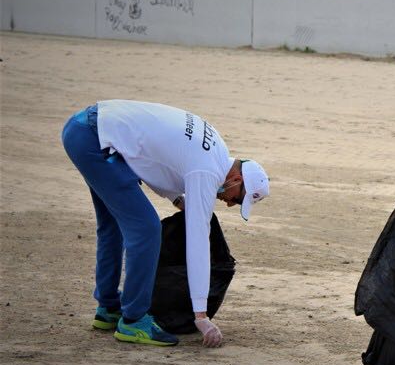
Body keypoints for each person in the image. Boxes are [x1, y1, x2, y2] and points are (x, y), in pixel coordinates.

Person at [61, 100, 269, 348]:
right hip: (96, 140)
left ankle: (108, 308)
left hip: (85, 129)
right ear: (236, 179)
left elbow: (155, 161)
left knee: (113, 224)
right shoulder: (208, 172)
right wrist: (200, 316)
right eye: (237, 199)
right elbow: (198, 243)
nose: (229, 204)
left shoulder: (216, 149)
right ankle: (133, 320)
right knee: (146, 230)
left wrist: (176, 199)